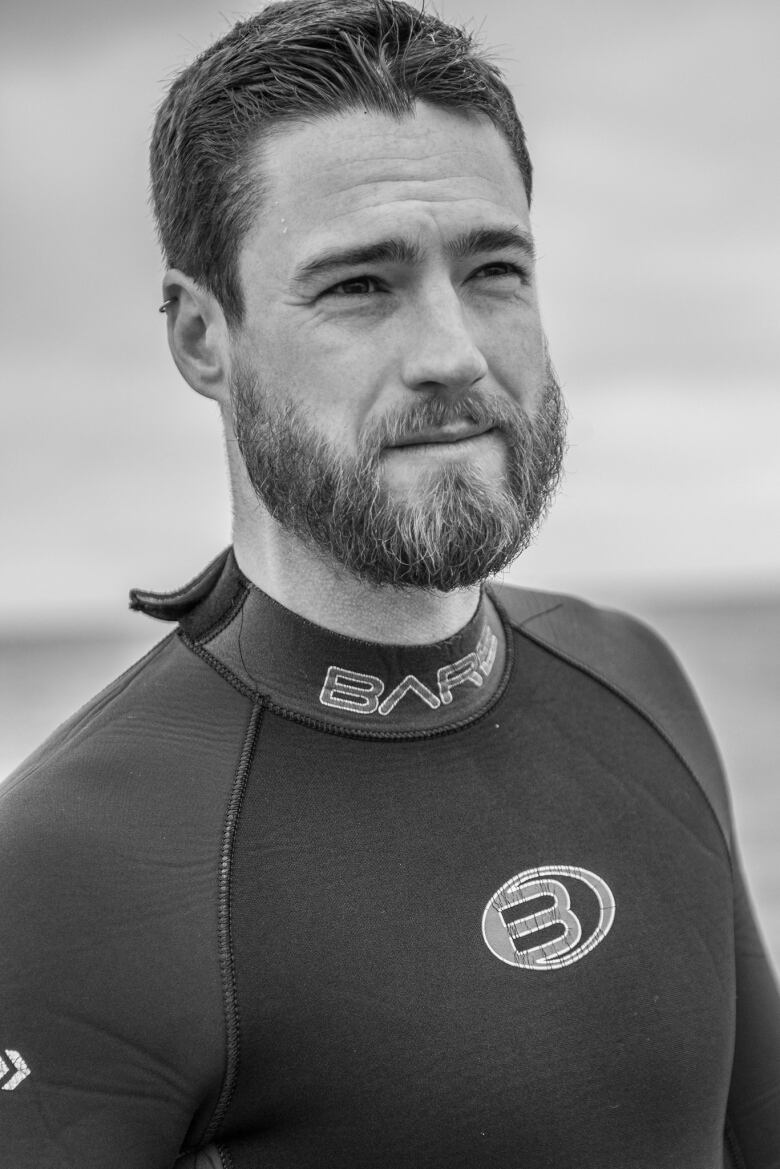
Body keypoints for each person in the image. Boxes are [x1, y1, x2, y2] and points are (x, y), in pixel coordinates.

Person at [1, 0, 778, 1164]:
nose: (453, 352)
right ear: (202, 337)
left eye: (494, 268)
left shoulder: (635, 681)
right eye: (361, 285)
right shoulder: (67, 869)